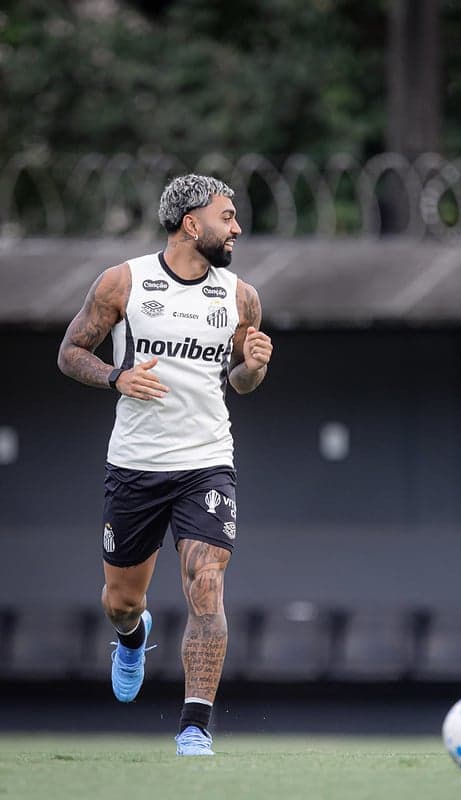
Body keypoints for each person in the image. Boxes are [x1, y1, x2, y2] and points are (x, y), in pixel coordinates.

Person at [57, 174, 272, 756]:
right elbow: (70, 352)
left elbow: (240, 383)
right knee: (122, 601)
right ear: (191, 223)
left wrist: (253, 366)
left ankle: (195, 726)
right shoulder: (123, 281)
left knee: (207, 583)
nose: (237, 228)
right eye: (227, 217)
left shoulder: (240, 296)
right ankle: (131, 639)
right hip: (135, 465)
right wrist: (115, 376)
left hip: (206, 462)